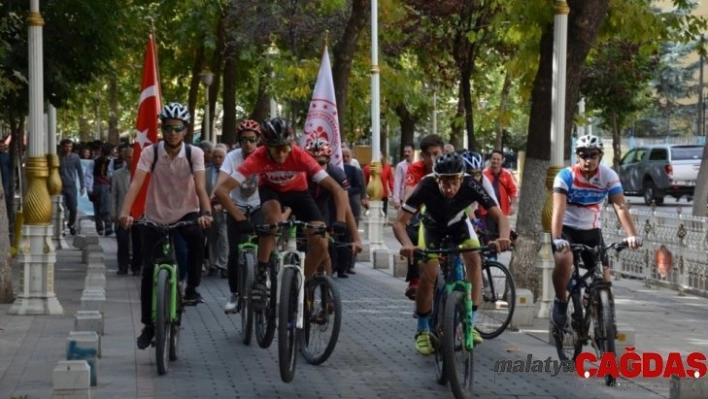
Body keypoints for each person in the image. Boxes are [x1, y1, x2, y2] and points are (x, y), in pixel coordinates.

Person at [213, 117, 361, 312]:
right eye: (276, 149)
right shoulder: (258, 157)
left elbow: (337, 189)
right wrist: (239, 218)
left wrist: (340, 220)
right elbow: (221, 191)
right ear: (266, 147)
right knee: (272, 221)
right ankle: (261, 277)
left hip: (298, 193)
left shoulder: (299, 155)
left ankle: (301, 283)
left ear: (291, 144)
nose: (282, 154)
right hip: (271, 192)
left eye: (286, 148)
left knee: (322, 242)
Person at [393, 152, 512, 355]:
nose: (450, 188)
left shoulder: (471, 184)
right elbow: (399, 222)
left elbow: (499, 215)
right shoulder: (426, 185)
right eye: (444, 183)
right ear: (437, 178)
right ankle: (422, 330)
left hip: (458, 224)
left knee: (474, 258)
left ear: (462, 178)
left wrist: (503, 237)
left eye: (454, 182)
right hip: (431, 226)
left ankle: (470, 324)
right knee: (427, 274)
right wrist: (407, 244)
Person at [118, 102, 213, 350]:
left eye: (178, 128)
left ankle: (192, 287)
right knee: (149, 270)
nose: (173, 132)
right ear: (162, 129)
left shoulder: (195, 154)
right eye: (168, 128)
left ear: (185, 130)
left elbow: (201, 188)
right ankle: (149, 326)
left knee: (196, 240)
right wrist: (125, 213)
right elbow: (136, 184)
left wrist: (206, 213)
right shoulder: (152, 152)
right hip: (156, 215)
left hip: (186, 212)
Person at [550, 134, 641, 331]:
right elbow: (558, 210)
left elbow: (620, 206)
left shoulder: (608, 176)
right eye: (583, 155)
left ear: (600, 156)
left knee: (604, 280)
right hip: (566, 230)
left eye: (593, 155)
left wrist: (632, 235)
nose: (588, 160)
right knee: (564, 261)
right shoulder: (565, 176)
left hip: (592, 231)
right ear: (577, 156)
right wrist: (556, 239)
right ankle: (560, 301)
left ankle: (605, 325)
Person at [214, 119, 266, 313]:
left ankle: (264, 278)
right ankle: (235, 294)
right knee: (235, 253)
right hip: (236, 207)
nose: (248, 144)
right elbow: (221, 180)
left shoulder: (264, 156)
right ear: (238, 140)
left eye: (252, 139)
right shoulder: (232, 157)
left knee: (265, 242)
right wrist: (216, 195)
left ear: (259, 140)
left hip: (259, 205)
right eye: (243, 140)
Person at [303, 137, 360, 278]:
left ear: (328, 161)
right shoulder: (301, 172)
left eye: (321, 163)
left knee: (323, 248)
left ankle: (326, 291)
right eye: (312, 163)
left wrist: (356, 238)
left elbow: (346, 207)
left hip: (322, 209)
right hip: (302, 207)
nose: (316, 168)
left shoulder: (336, 173)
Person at [402, 134, 444, 300]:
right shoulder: (415, 169)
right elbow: (409, 195)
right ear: (423, 156)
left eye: (437, 154)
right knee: (413, 234)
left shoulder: (448, 167)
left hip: (443, 213)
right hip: (419, 211)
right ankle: (414, 279)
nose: (434, 158)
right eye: (430, 154)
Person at [111, 147, 142, 275]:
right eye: (129, 157)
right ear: (124, 158)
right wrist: (114, 213)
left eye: (134, 157)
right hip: (122, 212)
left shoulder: (143, 174)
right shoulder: (117, 174)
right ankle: (123, 266)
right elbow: (114, 195)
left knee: (138, 241)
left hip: (138, 212)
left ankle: (136, 266)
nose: (131, 160)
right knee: (122, 240)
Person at [205, 144, 230, 276]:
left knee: (224, 237)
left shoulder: (229, 173)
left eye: (221, 157)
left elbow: (232, 191)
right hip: (210, 210)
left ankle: (223, 264)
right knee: (212, 238)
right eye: (215, 157)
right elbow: (203, 190)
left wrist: (224, 204)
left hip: (225, 210)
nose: (217, 159)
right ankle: (213, 264)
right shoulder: (206, 173)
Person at [482, 150, 518, 236]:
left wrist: (513, 205)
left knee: (502, 234)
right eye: (494, 159)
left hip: (502, 211)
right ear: (491, 160)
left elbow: (513, 191)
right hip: (488, 211)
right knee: (489, 235)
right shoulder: (483, 174)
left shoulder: (507, 174)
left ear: (502, 161)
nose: (495, 161)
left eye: (498, 159)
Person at [59, 139, 86, 235]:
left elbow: (80, 172)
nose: (68, 149)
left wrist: (82, 186)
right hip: (60, 187)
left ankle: (71, 224)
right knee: (62, 209)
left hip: (72, 186)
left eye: (70, 146)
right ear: (62, 147)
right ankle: (61, 228)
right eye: (66, 146)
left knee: (73, 208)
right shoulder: (58, 157)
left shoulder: (75, 157)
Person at [88, 143, 115, 236]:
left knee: (107, 207)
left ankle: (108, 227)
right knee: (97, 208)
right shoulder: (94, 162)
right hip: (96, 186)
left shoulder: (111, 163)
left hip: (106, 186)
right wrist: (89, 188)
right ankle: (99, 227)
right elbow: (89, 175)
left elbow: (112, 175)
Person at [392, 144, 414, 210]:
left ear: (413, 152)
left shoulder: (417, 165)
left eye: (409, 151)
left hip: (414, 197)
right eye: (405, 152)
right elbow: (397, 183)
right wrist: (396, 200)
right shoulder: (400, 166)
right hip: (403, 198)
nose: (406, 153)